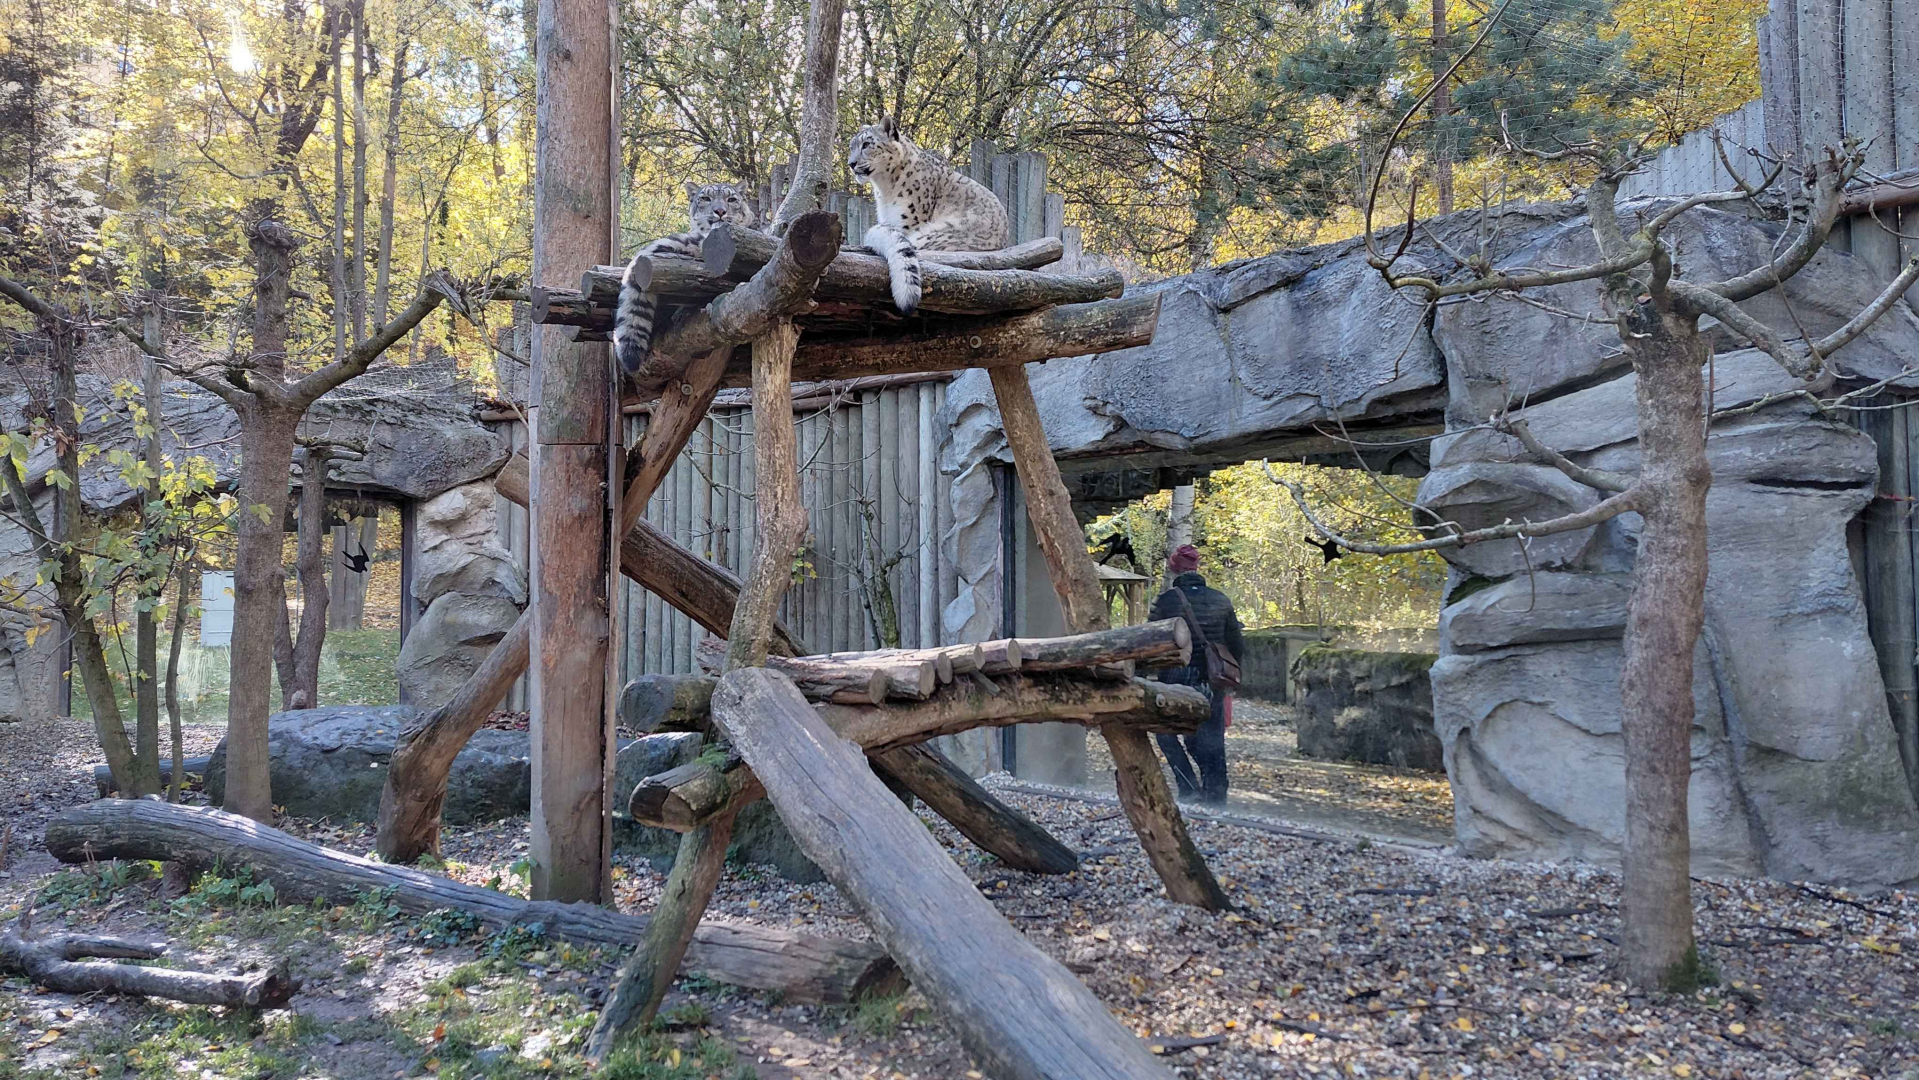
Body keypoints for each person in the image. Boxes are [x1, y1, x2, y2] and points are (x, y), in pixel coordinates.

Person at [1149, 543, 1243, 804]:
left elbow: (1150, 641)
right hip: (1212, 681)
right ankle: (1216, 795)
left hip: (1175, 678)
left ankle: (1189, 788)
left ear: (1174, 569)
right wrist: (1232, 678)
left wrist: (1147, 672)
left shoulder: (1166, 601)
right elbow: (1236, 644)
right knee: (1211, 740)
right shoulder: (1221, 600)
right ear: (1196, 568)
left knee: (1166, 733)